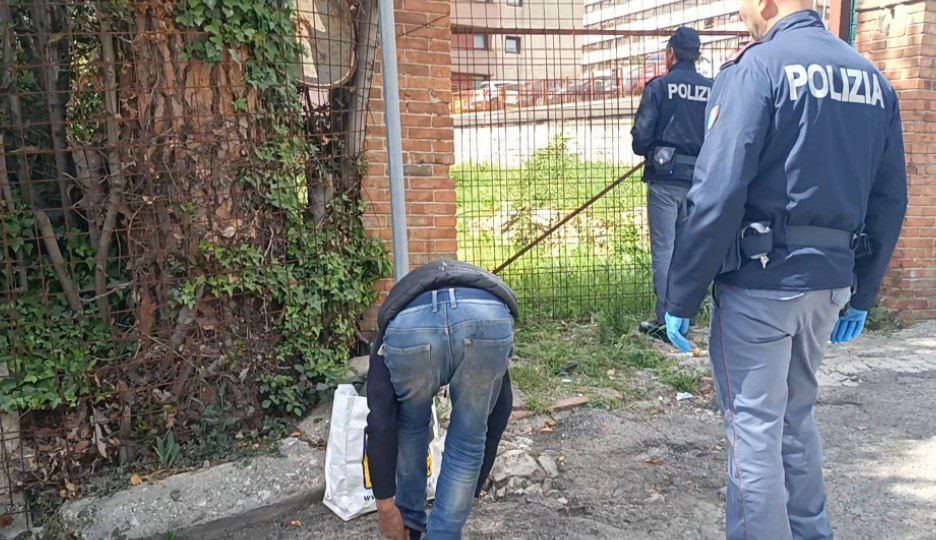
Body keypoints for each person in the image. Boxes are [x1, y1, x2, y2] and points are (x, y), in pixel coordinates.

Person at [662, 0, 907, 538]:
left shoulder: (759, 68)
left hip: (761, 284)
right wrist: (863, 292)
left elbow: (719, 188)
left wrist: (682, 293)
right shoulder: (872, 80)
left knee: (753, 429)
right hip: (829, 285)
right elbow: (890, 198)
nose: (742, 14)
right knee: (795, 418)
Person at [365, 260, 518, 540]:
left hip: (410, 325)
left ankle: (409, 527)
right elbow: (501, 410)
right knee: (468, 440)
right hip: (487, 315)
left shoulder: (391, 321)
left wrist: (386, 507)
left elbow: (381, 421)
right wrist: (469, 488)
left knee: (410, 425)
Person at [630, 27, 714, 343]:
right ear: (698, 54)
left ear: (671, 53)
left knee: (664, 251)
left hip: (665, 180)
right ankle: (685, 317)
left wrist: (651, 147)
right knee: (689, 251)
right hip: (701, 181)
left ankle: (666, 322)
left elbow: (641, 140)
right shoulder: (713, 88)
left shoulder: (660, 86)